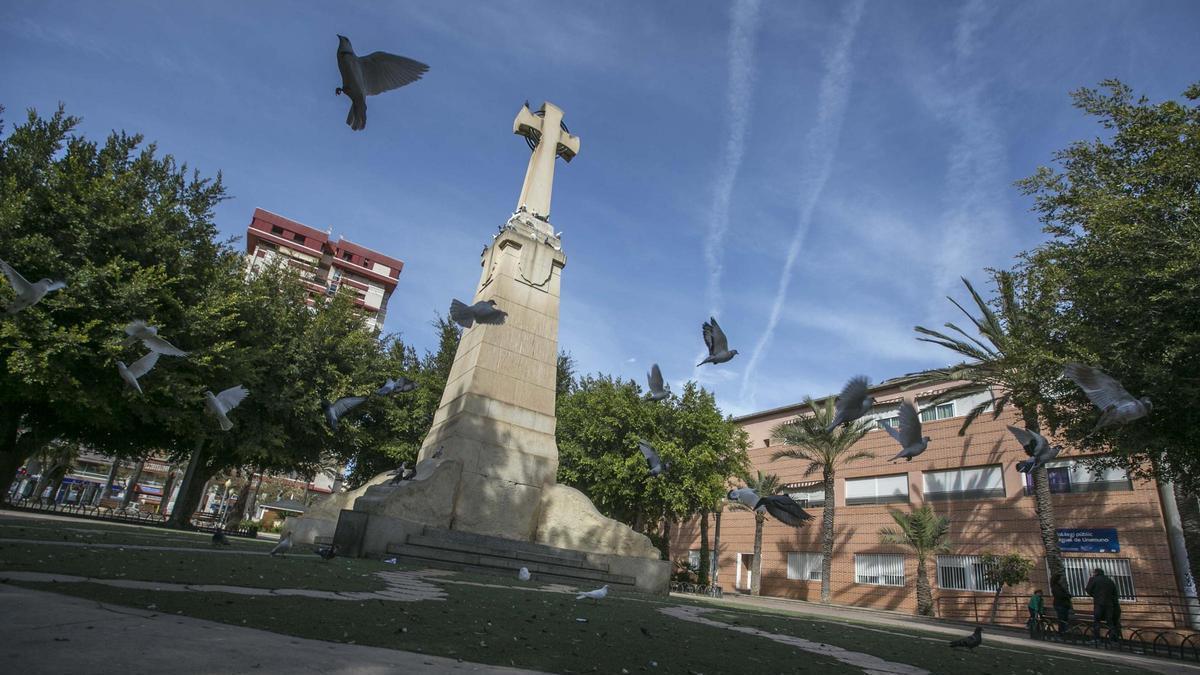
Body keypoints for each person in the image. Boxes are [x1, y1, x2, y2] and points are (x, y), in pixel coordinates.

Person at [1085, 567, 1121, 642]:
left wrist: (1094, 595)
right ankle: (1113, 638)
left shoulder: (1094, 579)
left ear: (1096, 573)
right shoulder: (1110, 580)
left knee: (1097, 620)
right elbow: (1115, 593)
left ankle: (1096, 638)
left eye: (1094, 573)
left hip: (1099, 603)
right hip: (1109, 604)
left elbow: (1088, 589)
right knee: (1109, 621)